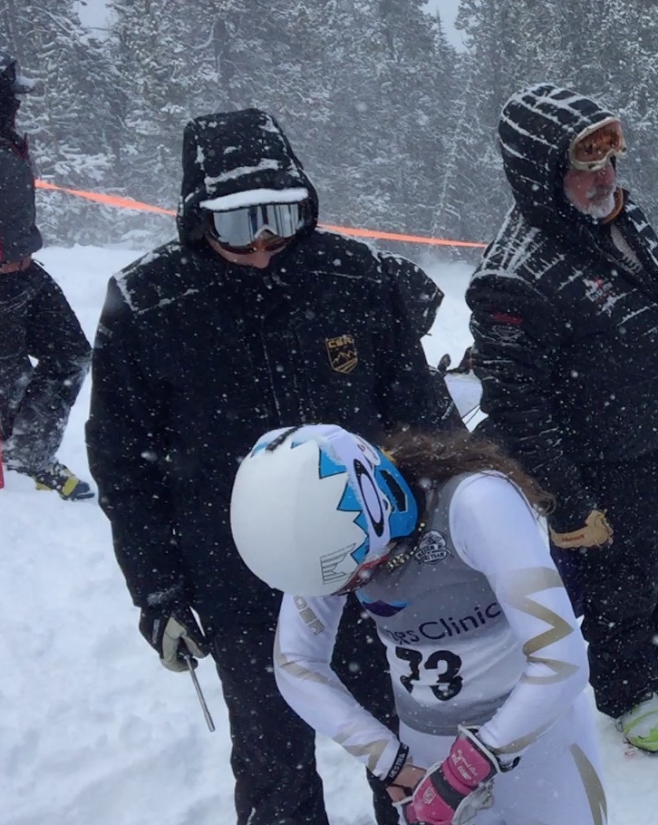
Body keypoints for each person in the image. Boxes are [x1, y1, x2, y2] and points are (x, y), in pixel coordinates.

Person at [87, 108, 458, 825]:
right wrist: (159, 592)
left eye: (279, 219)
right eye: (235, 227)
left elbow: (423, 414)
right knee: (272, 758)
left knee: (410, 738)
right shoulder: (149, 304)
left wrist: (456, 525)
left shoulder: (352, 275)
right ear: (198, 218)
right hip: (240, 575)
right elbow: (125, 467)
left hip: (376, 558)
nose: (260, 247)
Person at [467, 84, 658, 754]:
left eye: (610, 162)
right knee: (622, 583)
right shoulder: (513, 276)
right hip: (598, 460)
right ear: (541, 174)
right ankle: (630, 694)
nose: (604, 178)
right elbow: (515, 406)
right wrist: (565, 503)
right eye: (586, 166)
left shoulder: (623, 216)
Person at [231, 424, 608, 825]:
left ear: (378, 505)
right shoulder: (322, 544)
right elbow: (296, 662)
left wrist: (468, 766)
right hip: (429, 754)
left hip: (539, 742)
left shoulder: (477, 502)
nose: (355, 586)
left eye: (359, 572)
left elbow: (561, 660)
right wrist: (388, 760)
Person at [0, 43, 91, 498]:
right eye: (9, 94)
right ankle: (23, 478)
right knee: (9, 388)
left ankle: (27, 452)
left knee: (72, 353)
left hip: (27, 274)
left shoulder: (4, 139)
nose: (17, 102)